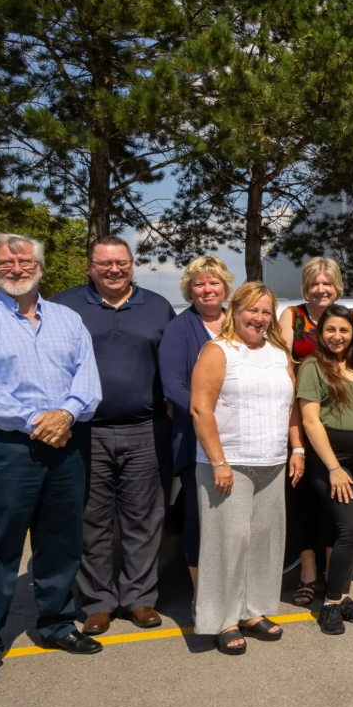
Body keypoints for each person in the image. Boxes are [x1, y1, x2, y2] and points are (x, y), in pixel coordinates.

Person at [0, 233, 104, 688]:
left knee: (60, 542)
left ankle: (57, 624)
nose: (16, 269)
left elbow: (87, 378)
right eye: (6, 262)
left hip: (66, 444)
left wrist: (67, 414)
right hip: (7, 448)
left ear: (40, 266)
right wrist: (39, 420)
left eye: (25, 261)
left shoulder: (68, 320)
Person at [55, 235, 176, 634]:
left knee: (144, 519)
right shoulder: (64, 306)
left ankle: (140, 598)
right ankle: (98, 603)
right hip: (85, 432)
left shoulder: (157, 307)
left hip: (146, 430)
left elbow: (173, 367)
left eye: (121, 262)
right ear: (90, 267)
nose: (114, 270)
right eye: (104, 263)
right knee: (91, 520)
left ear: (132, 265)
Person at [190, 282, 304, 654]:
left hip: (272, 462)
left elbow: (291, 406)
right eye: (252, 310)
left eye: (266, 311)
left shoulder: (279, 353)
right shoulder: (218, 351)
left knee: (264, 542)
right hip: (229, 464)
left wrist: (297, 448)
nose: (259, 318)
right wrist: (219, 462)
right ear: (235, 311)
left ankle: (252, 611)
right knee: (229, 542)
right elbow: (200, 409)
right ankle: (222, 619)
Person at [276, 257, 353, 607]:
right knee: (304, 502)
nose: (320, 289)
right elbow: (283, 368)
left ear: (337, 287)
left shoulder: (351, 319)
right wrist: (297, 444)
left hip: (340, 419)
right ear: (306, 287)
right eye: (314, 283)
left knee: (338, 506)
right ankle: (307, 574)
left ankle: (335, 577)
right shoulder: (292, 317)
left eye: (327, 283)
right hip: (302, 416)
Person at [297, 304, 353, 633]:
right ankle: (330, 604)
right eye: (330, 329)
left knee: (350, 533)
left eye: (344, 330)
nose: (337, 336)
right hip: (333, 462)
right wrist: (333, 468)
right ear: (321, 332)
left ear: (352, 334)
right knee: (352, 530)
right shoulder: (313, 367)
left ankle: (343, 597)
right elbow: (310, 420)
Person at [159, 255, 234, 598]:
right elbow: (173, 386)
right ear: (189, 291)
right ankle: (202, 595)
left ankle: (231, 589)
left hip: (240, 438)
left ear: (225, 288)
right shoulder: (179, 328)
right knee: (200, 517)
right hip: (197, 438)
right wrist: (210, 413)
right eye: (199, 284)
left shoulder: (238, 322)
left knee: (234, 520)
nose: (207, 289)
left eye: (214, 282)